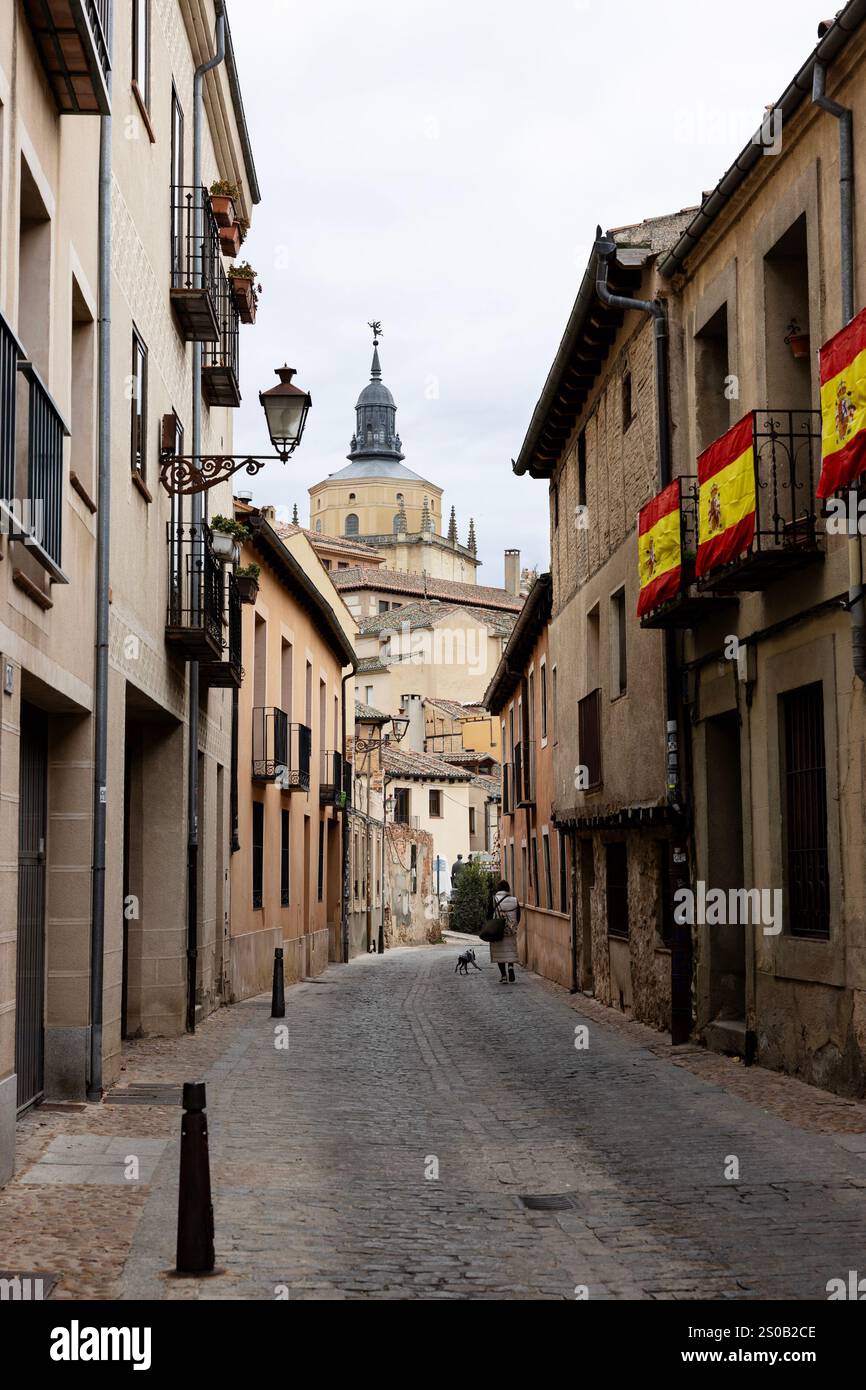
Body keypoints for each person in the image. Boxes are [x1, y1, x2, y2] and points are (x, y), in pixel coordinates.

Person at [490, 878, 520, 983]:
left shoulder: (494, 899)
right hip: (510, 930)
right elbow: (518, 916)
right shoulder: (514, 900)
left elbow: (488, 915)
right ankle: (511, 967)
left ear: (498, 888)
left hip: (498, 931)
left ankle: (503, 976)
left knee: (500, 953)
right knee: (510, 951)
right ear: (508, 888)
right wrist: (514, 925)